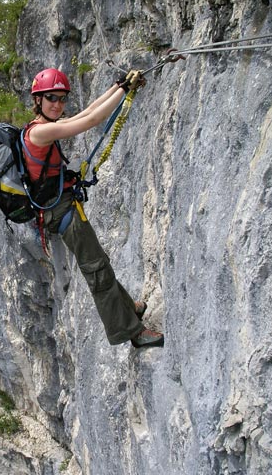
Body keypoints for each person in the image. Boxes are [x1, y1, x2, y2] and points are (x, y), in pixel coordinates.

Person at [22, 68, 164, 348]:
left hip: (63, 209)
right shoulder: (41, 132)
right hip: (63, 215)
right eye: (51, 98)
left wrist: (118, 86)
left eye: (62, 99)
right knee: (96, 270)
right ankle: (131, 332)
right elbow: (93, 120)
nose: (58, 104)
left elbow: (85, 112)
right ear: (38, 100)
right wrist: (126, 91)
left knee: (99, 263)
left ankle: (130, 309)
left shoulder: (40, 126)